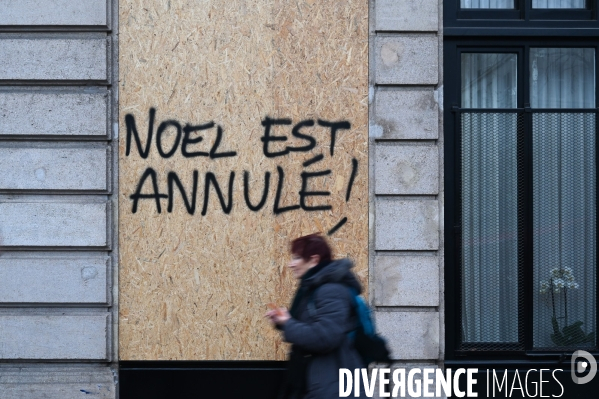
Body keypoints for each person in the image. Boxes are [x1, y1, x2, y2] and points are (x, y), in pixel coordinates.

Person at [266, 233, 365, 399]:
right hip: (322, 382)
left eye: (297, 258)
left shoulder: (331, 290)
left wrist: (289, 323)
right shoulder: (314, 288)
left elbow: (326, 337)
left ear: (314, 260)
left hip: (333, 386)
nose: (291, 264)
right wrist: (284, 321)